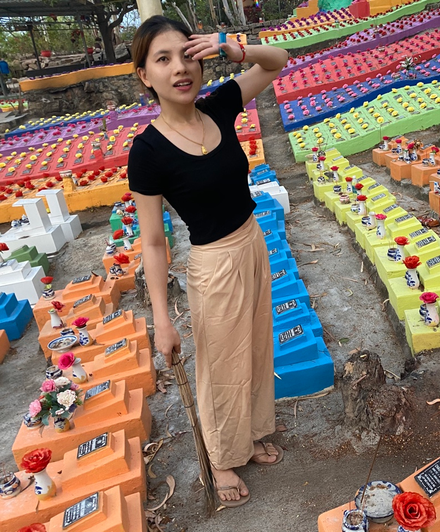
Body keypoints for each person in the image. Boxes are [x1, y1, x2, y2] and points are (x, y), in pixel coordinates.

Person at [127, 16, 289, 508]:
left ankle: (254, 430)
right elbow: (154, 243)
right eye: (163, 59)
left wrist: (229, 48)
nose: (180, 68)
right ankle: (221, 456)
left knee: (259, 347)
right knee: (221, 367)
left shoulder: (219, 107)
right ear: (144, 75)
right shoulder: (148, 152)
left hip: (253, 241)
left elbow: (279, 62)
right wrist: (160, 319)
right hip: (213, 263)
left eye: (186, 54)